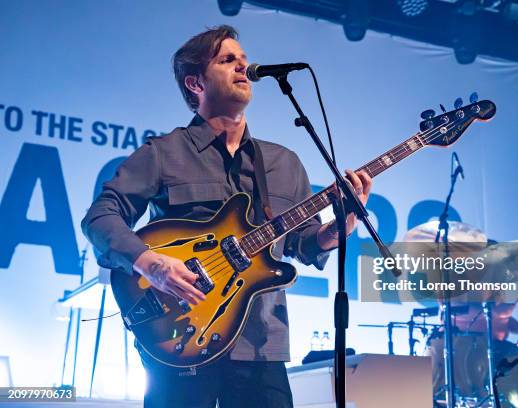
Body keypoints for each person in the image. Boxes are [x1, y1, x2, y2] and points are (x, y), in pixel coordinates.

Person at [81, 25, 372, 407]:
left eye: (244, 60)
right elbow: (101, 217)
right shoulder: (163, 152)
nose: (242, 66)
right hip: (180, 334)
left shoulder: (284, 162)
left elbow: (304, 243)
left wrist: (340, 227)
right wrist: (152, 265)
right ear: (195, 83)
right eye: (227, 59)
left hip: (261, 346)